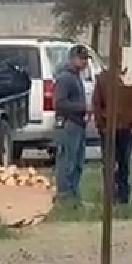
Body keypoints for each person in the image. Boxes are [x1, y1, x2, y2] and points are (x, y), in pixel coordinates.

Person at [92, 67, 132, 205]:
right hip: (108, 128)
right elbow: (97, 103)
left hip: (127, 128)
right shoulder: (103, 78)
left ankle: (123, 196)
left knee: (124, 164)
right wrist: (101, 125)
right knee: (109, 164)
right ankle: (110, 196)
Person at [53, 45, 91, 204]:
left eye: (85, 59)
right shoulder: (65, 78)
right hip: (69, 124)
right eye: (81, 59)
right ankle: (64, 196)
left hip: (79, 124)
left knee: (77, 163)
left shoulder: (76, 77)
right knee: (67, 162)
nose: (84, 63)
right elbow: (60, 104)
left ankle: (74, 196)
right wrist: (83, 108)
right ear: (72, 58)